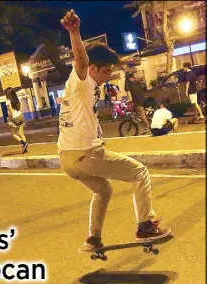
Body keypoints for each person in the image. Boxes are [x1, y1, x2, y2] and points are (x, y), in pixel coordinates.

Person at [58, 9, 171, 249]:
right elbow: (81, 59)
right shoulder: (82, 82)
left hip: (67, 160)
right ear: (93, 68)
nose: (107, 76)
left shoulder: (76, 89)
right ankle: (145, 227)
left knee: (103, 190)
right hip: (85, 155)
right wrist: (75, 32)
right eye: (106, 71)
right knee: (139, 173)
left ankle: (93, 238)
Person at [5, 87, 29, 154]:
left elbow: (10, 110)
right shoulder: (17, 99)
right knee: (21, 133)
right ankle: (25, 149)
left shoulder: (8, 100)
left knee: (13, 133)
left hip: (14, 117)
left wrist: (9, 119)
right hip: (21, 115)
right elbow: (20, 109)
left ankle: (24, 143)